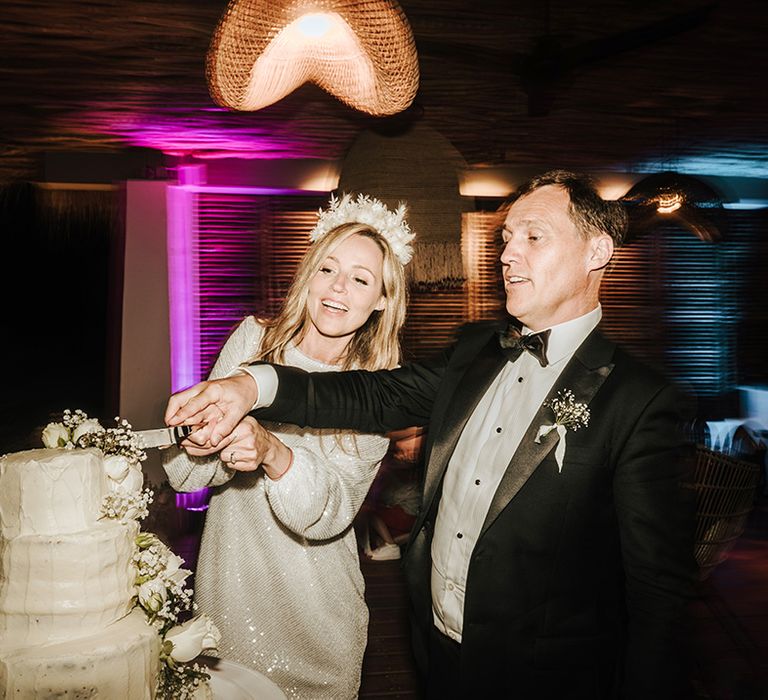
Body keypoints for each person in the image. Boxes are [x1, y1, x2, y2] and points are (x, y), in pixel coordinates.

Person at [166, 171, 698, 699]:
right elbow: (367, 397)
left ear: (597, 251)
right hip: (436, 651)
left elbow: (658, 590)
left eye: (533, 236)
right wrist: (249, 381)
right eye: (506, 239)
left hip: (544, 673)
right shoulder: (473, 350)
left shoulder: (640, 399)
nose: (508, 254)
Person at [161, 192, 414, 699]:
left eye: (361, 279)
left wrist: (271, 451)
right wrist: (199, 437)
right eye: (328, 269)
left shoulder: (378, 391)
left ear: (382, 299)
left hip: (320, 614)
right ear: (309, 272)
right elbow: (185, 476)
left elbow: (329, 516)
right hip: (229, 600)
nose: (338, 288)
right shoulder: (254, 340)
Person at [358, 425, 425, 561]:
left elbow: (386, 497)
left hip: (408, 514)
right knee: (378, 538)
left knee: (368, 512)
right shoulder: (406, 469)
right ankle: (407, 537)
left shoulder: (394, 471)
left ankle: (391, 545)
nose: (404, 454)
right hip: (413, 514)